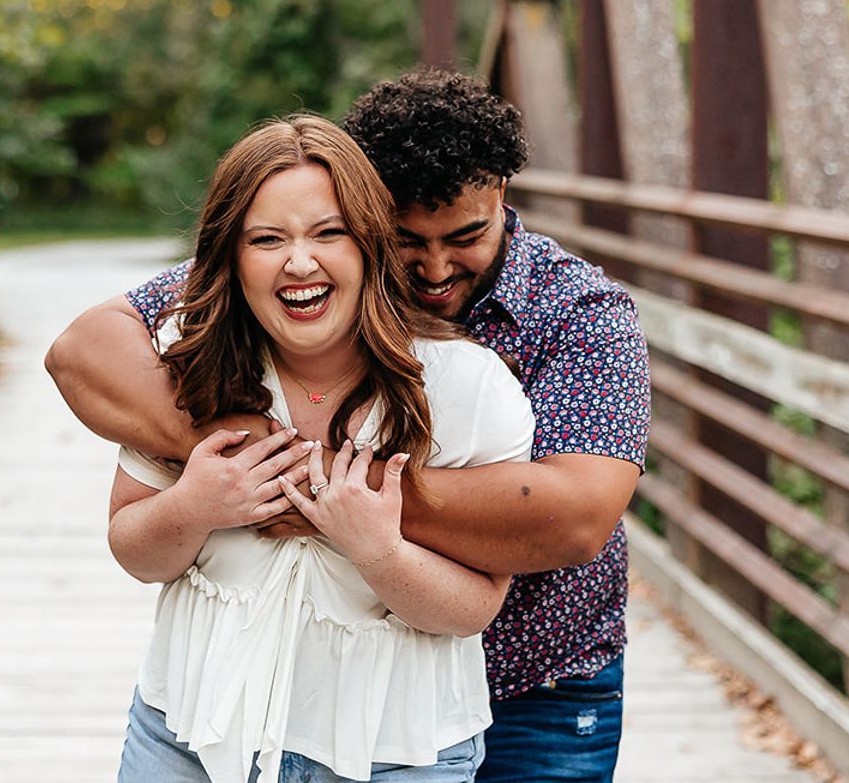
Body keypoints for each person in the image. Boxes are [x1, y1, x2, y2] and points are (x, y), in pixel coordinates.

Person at [51, 70, 650, 783]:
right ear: (366, 220)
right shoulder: (294, 272)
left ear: (503, 200)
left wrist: (332, 493)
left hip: (533, 678)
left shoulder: (578, 313)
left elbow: (575, 520)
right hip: (287, 697)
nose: (433, 269)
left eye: (466, 235)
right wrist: (239, 463)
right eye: (404, 239)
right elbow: (86, 349)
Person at [108, 115, 536, 783]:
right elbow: (133, 549)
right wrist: (191, 507)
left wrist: (378, 549)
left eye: (328, 234)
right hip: (188, 740)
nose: (299, 262)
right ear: (231, 256)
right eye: (267, 239)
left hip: (397, 756)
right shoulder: (185, 364)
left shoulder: (467, 387)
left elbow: (475, 607)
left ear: (370, 243)